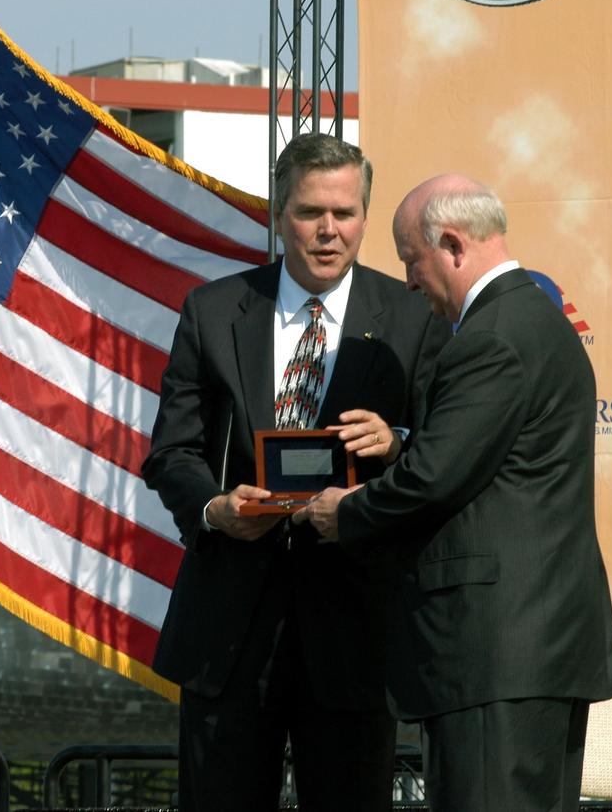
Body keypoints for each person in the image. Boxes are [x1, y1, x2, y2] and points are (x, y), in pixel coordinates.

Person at [294, 174, 612, 811]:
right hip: (534, 650)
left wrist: (347, 512)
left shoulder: (489, 338)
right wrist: (400, 442)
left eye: (411, 261)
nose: (411, 283)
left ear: (450, 245)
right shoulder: (534, 318)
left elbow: (433, 482)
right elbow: (485, 456)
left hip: (495, 654)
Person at [142, 134, 448, 811]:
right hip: (228, 629)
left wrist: (394, 443)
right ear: (280, 212)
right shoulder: (215, 309)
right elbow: (171, 452)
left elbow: (441, 447)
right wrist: (217, 507)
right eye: (312, 212)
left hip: (354, 631)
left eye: (346, 212)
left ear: (366, 215)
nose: (330, 230)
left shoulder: (410, 317)